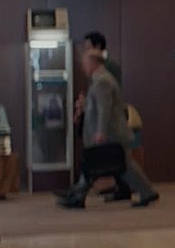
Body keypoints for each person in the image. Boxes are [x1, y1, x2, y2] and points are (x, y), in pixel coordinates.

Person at [56, 50, 158, 209]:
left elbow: (105, 109)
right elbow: (98, 106)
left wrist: (101, 132)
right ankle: (78, 195)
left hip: (110, 134)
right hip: (110, 133)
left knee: (109, 164)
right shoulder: (100, 80)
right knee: (121, 165)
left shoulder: (103, 81)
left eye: (85, 63)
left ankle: (78, 196)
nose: (83, 67)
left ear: (93, 63)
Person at [79, 31, 133, 202]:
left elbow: (105, 103)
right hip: (103, 122)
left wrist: (101, 129)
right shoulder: (99, 72)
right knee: (121, 161)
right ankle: (79, 191)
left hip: (110, 123)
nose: (85, 50)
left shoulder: (107, 70)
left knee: (119, 161)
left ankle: (79, 192)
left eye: (88, 47)